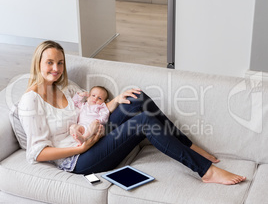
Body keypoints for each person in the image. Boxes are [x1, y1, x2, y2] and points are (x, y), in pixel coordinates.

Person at [18, 40, 246, 185]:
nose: (56, 69)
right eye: (50, 63)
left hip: (93, 135)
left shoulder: (66, 87)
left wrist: (115, 101)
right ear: (38, 63)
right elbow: (36, 153)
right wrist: (82, 147)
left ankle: (188, 145)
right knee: (143, 121)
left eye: (60, 62)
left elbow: (93, 109)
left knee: (136, 97)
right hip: (79, 158)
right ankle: (206, 171)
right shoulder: (30, 100)